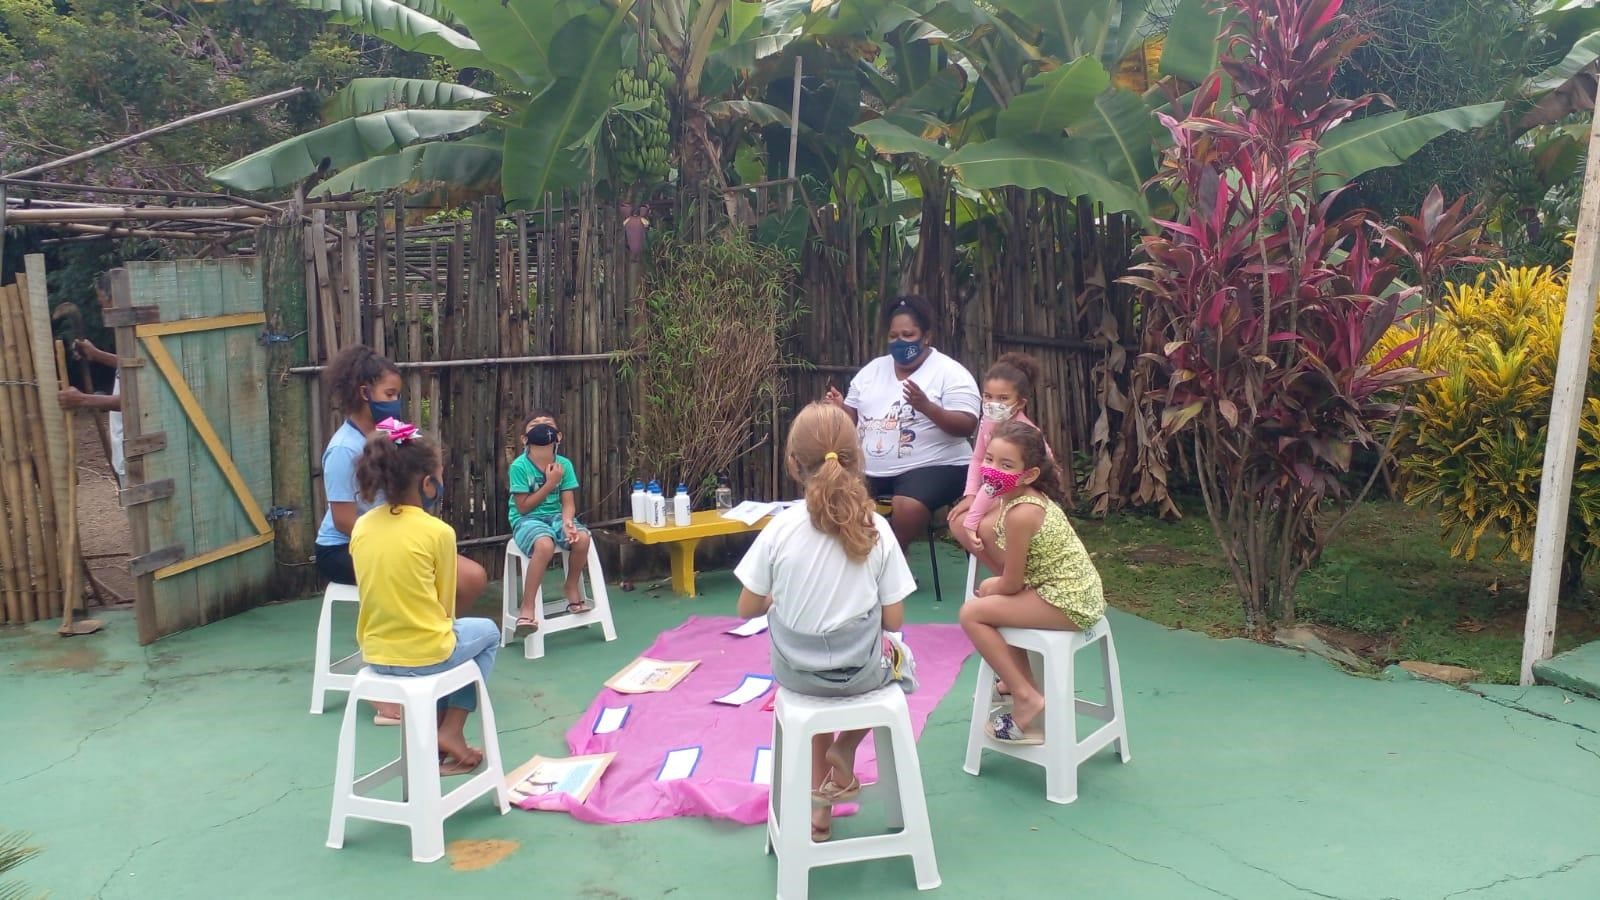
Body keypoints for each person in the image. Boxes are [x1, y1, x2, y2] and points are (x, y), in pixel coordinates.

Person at [735, 403, 918, 843]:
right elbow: (894, 619)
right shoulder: (876, 527)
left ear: (793, 464)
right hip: (861, 674)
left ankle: (820, 815)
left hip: (797, 675)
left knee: (817, 700)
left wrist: (777, 597)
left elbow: (747, 608)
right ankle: (847, 745)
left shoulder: (779, 528)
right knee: (902, 662)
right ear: (858, 459)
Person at [350, 419, 499, 775]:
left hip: (376, 654)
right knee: (487, 634)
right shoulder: (437, 532)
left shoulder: (362, 526)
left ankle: (435, 740)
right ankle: (450, 730)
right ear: (428, 482)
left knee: (451, 641)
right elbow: (445, 609)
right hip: (425, 653)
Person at [958, 420, 1104, 745]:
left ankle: (1025, 696)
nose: (993, 470)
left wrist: (995, 586)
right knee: (990, 604)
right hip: (1058, 591)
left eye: (1006, 465)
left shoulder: (1021, 514)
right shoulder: (1016, 499)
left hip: (1068, 600)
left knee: (972, 613)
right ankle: (1016, 684)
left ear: (1029, 474)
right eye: (989, 459)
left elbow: (1012, 583)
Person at [312, 344, 487, 608]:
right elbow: (343, 520)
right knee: (442, 577)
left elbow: (423, 473)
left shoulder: (394, 432)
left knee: (472, 578)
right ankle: (424, 630)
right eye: (390, 394)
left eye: (397, 395)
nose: (396, 402)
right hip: (343, 548)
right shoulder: (343, 449)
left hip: (392, 533)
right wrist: (396, 540)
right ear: (364, 393)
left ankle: (434, 630)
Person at [824, 294, 979, 554]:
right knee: (833, 492)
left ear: (926, 336)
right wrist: (839, 410)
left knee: (907, 505)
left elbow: (967, 425)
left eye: (908, 335)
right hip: (871, 470)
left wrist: (927, 407)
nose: (900, 342)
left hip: (936, 466)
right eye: (894, 336)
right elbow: (852, 420)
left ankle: (892, 561)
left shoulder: (950, 372)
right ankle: (851, 559)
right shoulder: (872, 370)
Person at [948, 353, 1053, 554]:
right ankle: (1002, 570)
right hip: (998, 490)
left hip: (1024, 493)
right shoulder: (987, 422)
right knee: (957, 521)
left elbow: (1043, 474)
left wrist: (976, 512)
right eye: (988, 396)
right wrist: (970, 496)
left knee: (987, 528)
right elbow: (978, 459)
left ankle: (1014, 572)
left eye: (1003, 398)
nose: (993, 404)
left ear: (1020, 403)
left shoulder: (1024, 433)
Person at [507, 409, 593, 636]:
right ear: (524, 439)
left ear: (558, 436)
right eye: (536, 424)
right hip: (526, 519)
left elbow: (568, 502)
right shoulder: (519, 467)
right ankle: (527, 607)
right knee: (544, 545)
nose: (542, 427)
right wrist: (550, 483)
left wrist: (567, 522)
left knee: (582, 538)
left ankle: (571, 585)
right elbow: (523, 507)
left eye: (548, 423)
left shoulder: (564, 464)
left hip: (556, 516)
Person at [57, 338, 123, 486]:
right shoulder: (133, 336)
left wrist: (82, 399)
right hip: (123, 448)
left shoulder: (146, 332)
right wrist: (96, 354)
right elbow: (131, 362)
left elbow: (136, 399)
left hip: (135, 454)